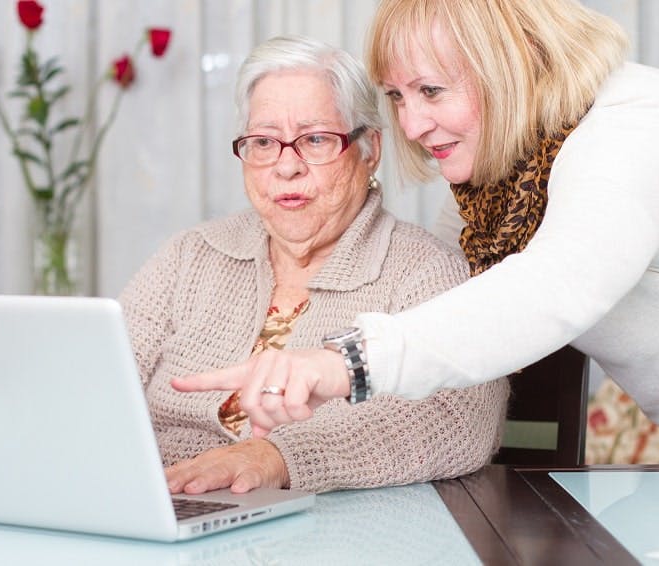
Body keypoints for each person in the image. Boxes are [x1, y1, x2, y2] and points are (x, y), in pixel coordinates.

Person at [173, 0, 659, 464]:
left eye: (431, 90)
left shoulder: (629, 138)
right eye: (398, 96)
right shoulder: (502, 183)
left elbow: (552, 287)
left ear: (511, 65)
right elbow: (446, 307)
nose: (413, 125)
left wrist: (342, 363)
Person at [120, 34, 508, 495]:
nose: (286, 167)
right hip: (161, 507)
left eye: (316, 139)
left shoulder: (423, 271)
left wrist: (278, 457)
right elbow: (94, 380)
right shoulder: (190, 255)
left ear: (369, 151)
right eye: (264, 142)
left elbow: (462, 420)